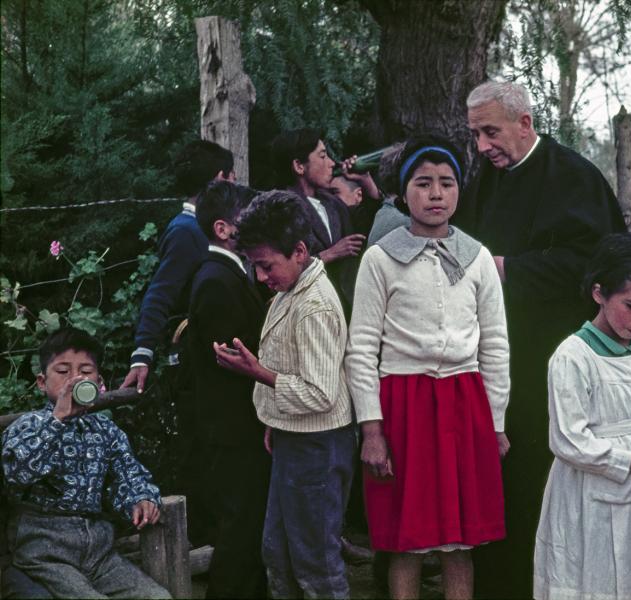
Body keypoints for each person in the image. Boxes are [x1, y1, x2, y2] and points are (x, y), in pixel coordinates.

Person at [454, 80, 626, 598]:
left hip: (550, 355)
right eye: (476, 135)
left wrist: (510, 270)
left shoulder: (574, 177)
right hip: (492, 353)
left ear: (525, 123)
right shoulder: (484, 178)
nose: (482, 146)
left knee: (539, 481)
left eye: (490, 132)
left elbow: (600, 265)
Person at [345, 137, 509, 599]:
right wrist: (372, 429)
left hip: (464, 402)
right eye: (424, 183)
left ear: (459, 191)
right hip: (404, 406)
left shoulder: (477, 258)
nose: (436, 194)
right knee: (407, 541)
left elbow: (496, 345)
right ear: (403, 191)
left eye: (446, 183)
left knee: (461, 541)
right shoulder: (380, 259)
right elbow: (361, 348)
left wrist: (495, 422)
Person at [534, 232, 631, 600]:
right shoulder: (573, 356)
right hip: (593, 485)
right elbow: (567, 439)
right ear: (599, 293)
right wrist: (628, 461)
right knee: (600, 575)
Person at [212, 191, 356, 599]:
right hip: (295, 439)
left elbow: (321, 394)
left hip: (318, 446)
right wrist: (277, 420)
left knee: (316, 563)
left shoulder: (314, 307)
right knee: (278, 552)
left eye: (266, 265)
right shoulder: (289, 290)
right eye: (254, 266)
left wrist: (256, 372)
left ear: (299, 251)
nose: (260, 277)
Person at [1, 328, 170, 599]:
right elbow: (17, 473)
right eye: (63, 371)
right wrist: (57, 421)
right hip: (46, 550)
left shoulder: (105, 429)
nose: (75, 379)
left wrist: (140, 498)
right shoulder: (30, 425)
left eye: (85, 371)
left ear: (98, 381)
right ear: (42, 382)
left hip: (99, 553)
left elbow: (128, 474)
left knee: (157, 597)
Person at [186, 181, 269, 598]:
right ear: (223, 229)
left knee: (249, 524)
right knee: (239, 528)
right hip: (234, 427)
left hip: (241, 425)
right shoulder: (216, 280)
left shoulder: (233, 272)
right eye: (247, 218)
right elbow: (230, 360)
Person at [121, 139, 234, 393]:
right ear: (220, 179)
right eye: (233, 176)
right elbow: (161, 292)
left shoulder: (207, 226)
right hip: (199, 355)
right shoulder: (186, 231)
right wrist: (143, 352)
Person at [270, 128, 382, 316]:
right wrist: (330, 254)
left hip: (345, 309)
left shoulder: (333, 203)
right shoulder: (280, 209)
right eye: (322, 156)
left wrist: (365, 180)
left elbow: (368, 224)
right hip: (307, 311)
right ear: (299, 166)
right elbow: (277, 267)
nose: (331, 163)